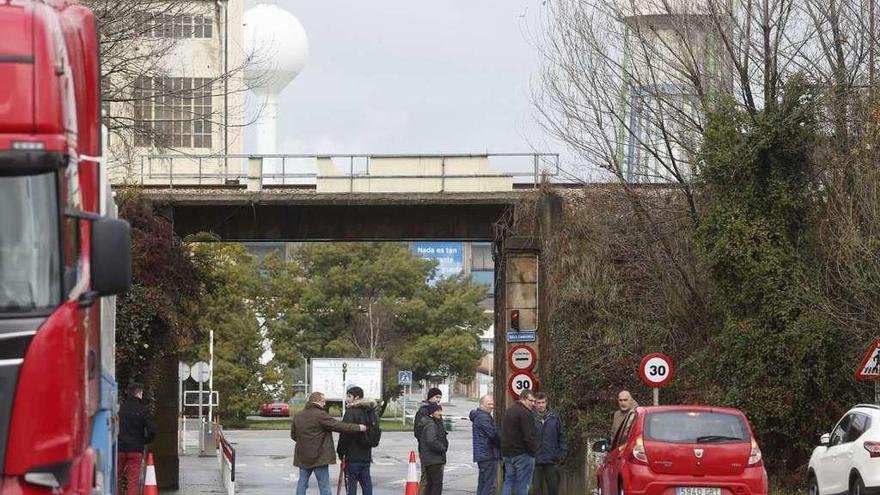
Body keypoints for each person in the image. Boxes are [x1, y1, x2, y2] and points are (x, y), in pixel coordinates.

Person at [291, 391, 366, 495]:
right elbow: (339, 426)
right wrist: (358, 427)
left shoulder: (298, 415)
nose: (324, 404)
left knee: (302, 483)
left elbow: (294, 435)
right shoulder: (321, 415)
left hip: (303, 456)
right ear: (317, 401)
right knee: (324, 486)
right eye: (323, 401)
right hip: (319, 457)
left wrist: (305, 443)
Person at [117, 382, 157, 495]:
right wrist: (144, 441)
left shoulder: (120, 408)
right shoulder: (142, 410)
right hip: (135, 449)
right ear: (139, 393)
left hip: (120, 448)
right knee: (133, 480)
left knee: (117, 477)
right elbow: (152, 430)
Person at [337, 386, 378, 495]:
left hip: (351, 456)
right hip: (366, 455)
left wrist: (340, 452)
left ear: (357, 397)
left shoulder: (351, 412)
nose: (347, 399)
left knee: (351, 485)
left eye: (349, 396)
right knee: (366, 484)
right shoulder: (370, 411)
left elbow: (345, 433)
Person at [501, 389, 538, 495]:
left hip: (508, 454)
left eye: (534, 401)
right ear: (523, 399)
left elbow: (504, 431)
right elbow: (529, 436)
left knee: (508, 482)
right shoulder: (526, 413)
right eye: (531, 401)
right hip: (522, 454)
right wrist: (533, 452)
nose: (533, 404)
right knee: (523, 484)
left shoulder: (510, 410)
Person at [531, 392, 567, 495]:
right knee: (537, 489)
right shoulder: (531, 418)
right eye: (539, 403)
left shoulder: (554, 417)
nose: (541, 405)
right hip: (536, 458)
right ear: (535, 404)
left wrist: (562, 454)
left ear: (546, 403)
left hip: (551, 458)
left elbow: (562, 436)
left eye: (543, 402)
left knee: (553, 488)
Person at [413, 387, 443, 494]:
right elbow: (418, 432)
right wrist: (440, 446)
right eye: (436, 397)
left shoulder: (437, 409)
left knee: (432, 481)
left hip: (435, 452)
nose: (438, 399)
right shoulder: (424, 411)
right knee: (427, 480)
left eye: (440, 397)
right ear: (430, 397)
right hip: (429, 451)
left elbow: (440, 429)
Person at [470, 394, 501, 495]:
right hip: (487, 454)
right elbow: (493, 435)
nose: (491, 406)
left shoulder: (481, 416)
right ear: (482, 405)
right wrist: (502, 443)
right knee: (488, 485)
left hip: (483, 455)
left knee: (483, 483)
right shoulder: (484, 417)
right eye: (489, 404)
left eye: (492, 404)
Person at [417, 403, 449, 495]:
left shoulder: (429, 422)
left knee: (430, 484)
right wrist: (442, 448)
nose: (440, 413)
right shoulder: (431, 425)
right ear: (432, 413)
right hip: (434, 459)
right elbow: (431, 441)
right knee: (436, 485)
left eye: (440, 410)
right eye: (438, 411)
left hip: (430, 458)